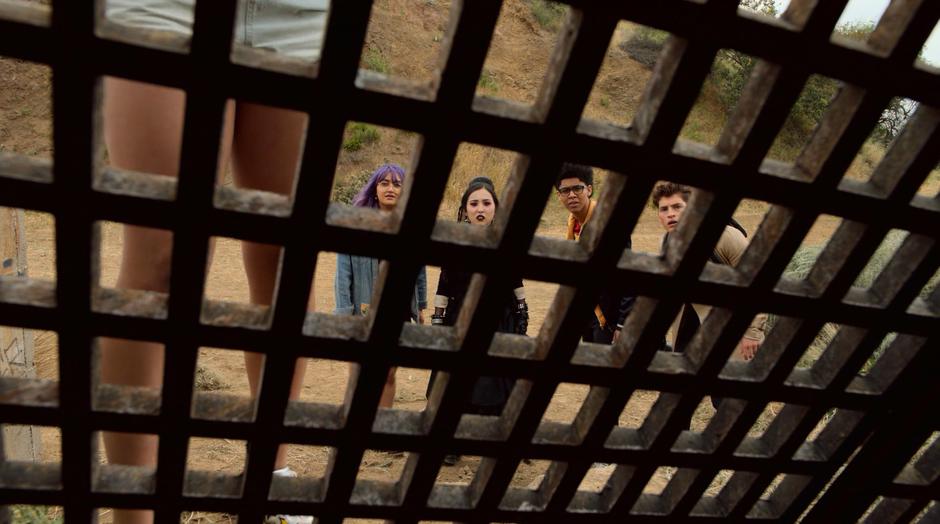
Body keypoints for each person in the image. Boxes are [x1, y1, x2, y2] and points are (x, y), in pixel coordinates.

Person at [101, 2, 328, 523]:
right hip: (168, 7)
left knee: (285, 257)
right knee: (163, 258)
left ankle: (270, 474)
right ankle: (134, 509)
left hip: (300, 13)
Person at [429, 177, 528, 465]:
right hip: (460, 321)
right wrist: (438, 320)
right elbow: (444, 285)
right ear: (465, 209)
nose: (480, 208)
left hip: (500, 321)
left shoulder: (507, 241)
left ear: (496, 208)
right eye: (474, 204)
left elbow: (516, 283)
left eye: (486, 203)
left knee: (500, 382)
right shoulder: (454, 243)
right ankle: (452, 444)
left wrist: (522, 314)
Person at [653, 182, 766, 411]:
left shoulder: (725, 236)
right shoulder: (666, 243)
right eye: (664, 209)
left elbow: (759, 283)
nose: (670, 214)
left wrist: (753, 333)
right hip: (688, 329)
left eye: (677, 206)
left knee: (726, 401)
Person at [334, 163, 428, 408]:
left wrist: (421, 305)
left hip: (398, 311)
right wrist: (344, 313)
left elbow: (419, 271)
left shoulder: (412, 227)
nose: (390, 188)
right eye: (384, 183)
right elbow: (342, 274)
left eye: (397, 184)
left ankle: (381, 428)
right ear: (375, 189)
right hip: (362, 311)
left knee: (387, 374)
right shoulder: (357, 226)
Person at [555, 163, 635, 344]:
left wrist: (623, 324)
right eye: (565, 190)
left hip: (611, 318)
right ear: (558, 195)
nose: (572, 195)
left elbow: (628, 276)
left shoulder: (610, 223)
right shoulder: (573, 223)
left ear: (589, 189)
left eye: (577, 188)